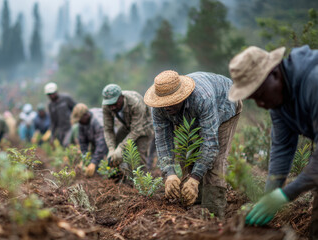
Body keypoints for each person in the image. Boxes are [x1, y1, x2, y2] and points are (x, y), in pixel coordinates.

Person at [228, 45, 318, 235]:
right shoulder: (278, 101)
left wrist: (285, 194)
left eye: (260, 95)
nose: (261, 104)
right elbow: (282, 149)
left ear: (275, 73)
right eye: (254, 99)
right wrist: (268, 196)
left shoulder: (314, 81)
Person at [143, 70, 242, 218]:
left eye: (171, 102)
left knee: (215, 161)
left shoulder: (202, 98)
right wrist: (169, 173)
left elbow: (210, 144)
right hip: (189, 116)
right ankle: (194, 205)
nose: (166, 107)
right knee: (186, 153)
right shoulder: (159, 108)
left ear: (182, 96)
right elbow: (163, 141)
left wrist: (195, 177)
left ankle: (214, 213)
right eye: (163, 103)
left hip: (225, 106)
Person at [101, 84, 154, 171]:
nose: (112, 107)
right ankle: (120, 178)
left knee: (138, 155)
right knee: (116, 150)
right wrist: (111, 149)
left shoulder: (135, 103)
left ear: (121, 97)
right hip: (127, 125)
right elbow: (108, 129)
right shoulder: (107, 106)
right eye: (110, 104)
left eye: (114, 103)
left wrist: (121, 147)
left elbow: (136, 130)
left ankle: (141, 182)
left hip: (144, 127)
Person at [71, 103, 108, 177]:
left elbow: (101, 145)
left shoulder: (98, 122)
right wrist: (84, 160)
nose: (79, 122)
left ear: (86, 115)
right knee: (94, 166)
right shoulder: (82, 123)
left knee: (108, 164)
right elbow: (83, 142)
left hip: (109, 141)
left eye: (80, 120)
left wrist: (93, 163)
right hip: (96, 142)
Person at [45, 82, 76, 147]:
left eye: (53, 93)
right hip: (61, 130)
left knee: (67, 144)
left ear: (56, 92)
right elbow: (53, 122)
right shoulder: (50, 105)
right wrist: (52, 136)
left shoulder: (66, 98)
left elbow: (76, 108)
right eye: (49, 94)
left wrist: (75, 121)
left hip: (70, 126)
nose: (52, 96)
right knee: (63, 146)